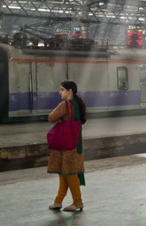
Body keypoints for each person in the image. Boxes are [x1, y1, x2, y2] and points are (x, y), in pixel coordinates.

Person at [48, 80, 87, 212]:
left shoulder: (65, 105)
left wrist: (59, 119)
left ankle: (78, 201)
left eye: (62, 89)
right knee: (64, 173)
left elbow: (51, 117)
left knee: (69, 174)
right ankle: (58, 201)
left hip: (66, 145)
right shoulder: (77, 105)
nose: (60, 92)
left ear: (70, 91)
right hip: (76, 143)